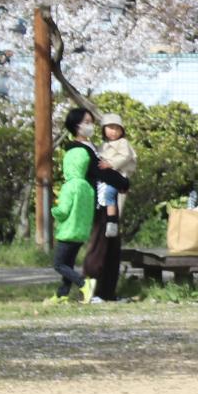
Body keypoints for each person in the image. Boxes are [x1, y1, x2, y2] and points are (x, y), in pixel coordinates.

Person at [85, 113, 136, 302]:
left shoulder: (122, 144)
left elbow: (126, 157)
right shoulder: (101, 146)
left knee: (111, 200)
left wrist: (110, 164)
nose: (113, 131)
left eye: (116, 128)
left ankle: (113, 221)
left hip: (116, 178)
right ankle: (99, 290)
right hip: (104, 184)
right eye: (109, 127)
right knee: (107, 198)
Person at [51, 108, 97, 302]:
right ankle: (62, 294)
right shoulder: (88, 187)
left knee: (59, 264)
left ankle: (83, 283)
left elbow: (62, 212)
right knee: (68, 262)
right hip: (81, 231)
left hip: (68, 231)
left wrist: (53, 210)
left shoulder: (70, 186)